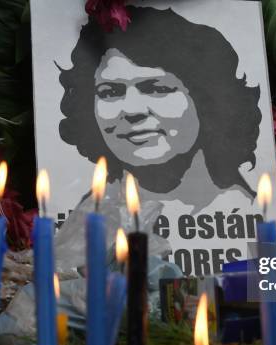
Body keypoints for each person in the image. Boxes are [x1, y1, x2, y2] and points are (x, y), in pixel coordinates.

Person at [58, 6, 262, 212]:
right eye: (110, 93)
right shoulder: (80, 222)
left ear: (205, 101)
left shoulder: (257, 213)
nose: (132, 110)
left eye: (157, 89)